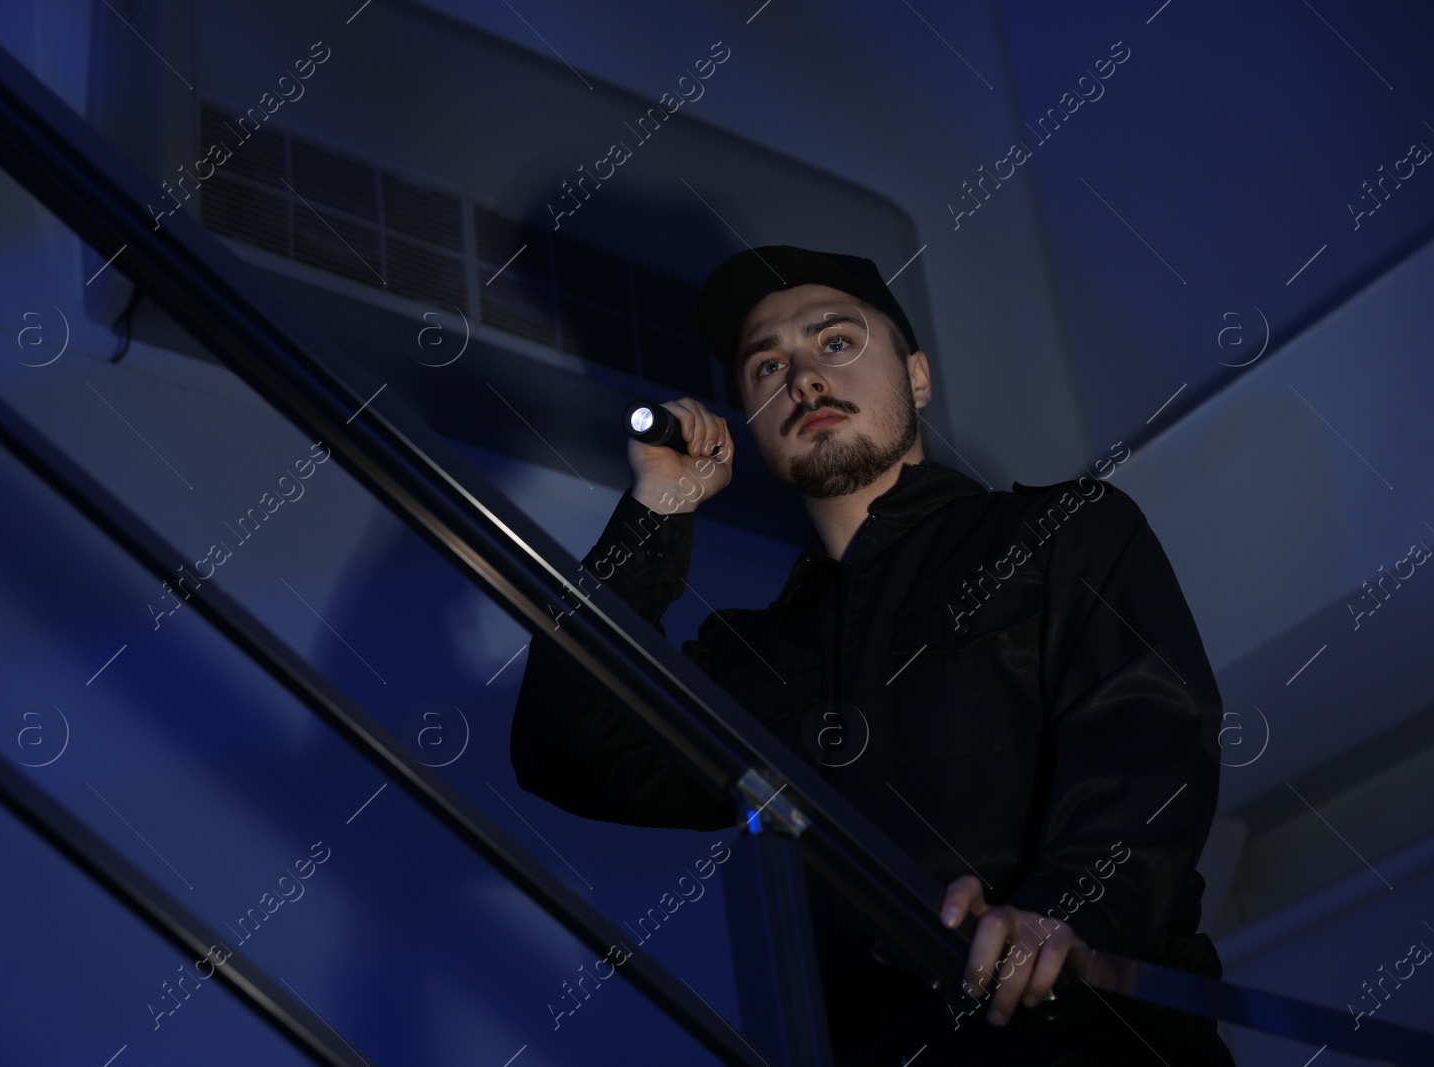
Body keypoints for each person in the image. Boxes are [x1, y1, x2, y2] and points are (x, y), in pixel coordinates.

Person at [509, 245, 1235, 1065]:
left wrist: (1058, 913)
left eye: (837, 343)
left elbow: (1149, 743)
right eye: (767, 366)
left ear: (918, 378)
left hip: (1091, 1039)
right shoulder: (750, 655)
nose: (806, 380)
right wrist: (656, 516)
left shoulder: (1064, 532)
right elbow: (566, 747)